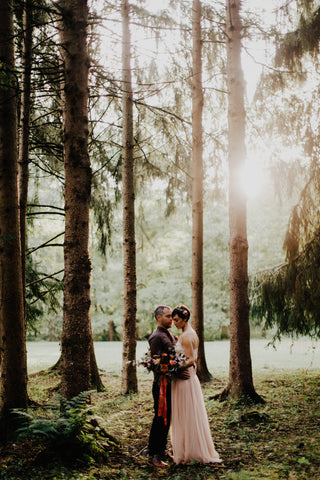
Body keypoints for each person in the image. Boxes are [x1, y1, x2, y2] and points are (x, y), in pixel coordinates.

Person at [171, 305, 222, 465]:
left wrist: (173, 368)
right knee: (190, 414)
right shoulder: (192, 333)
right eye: (173, 320)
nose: (174, 323)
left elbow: (192, 359)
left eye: (177, 320)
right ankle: (190, 449)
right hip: (190, 378)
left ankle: (190, 451)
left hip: (184, 380)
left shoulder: (186, 336)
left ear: (185, 319)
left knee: (186, 414)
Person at [147, 305, 176, 467]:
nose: (171, 318)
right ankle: (153, 455)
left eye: (171, 316)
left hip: (170, 383)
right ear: (158, 318)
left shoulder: (168, 334)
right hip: (161, 385)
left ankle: (162, 450)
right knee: (160, 418)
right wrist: (170, 366)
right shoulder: (156, 337)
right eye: (167, 316)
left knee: (167, 419)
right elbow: (156, 363)